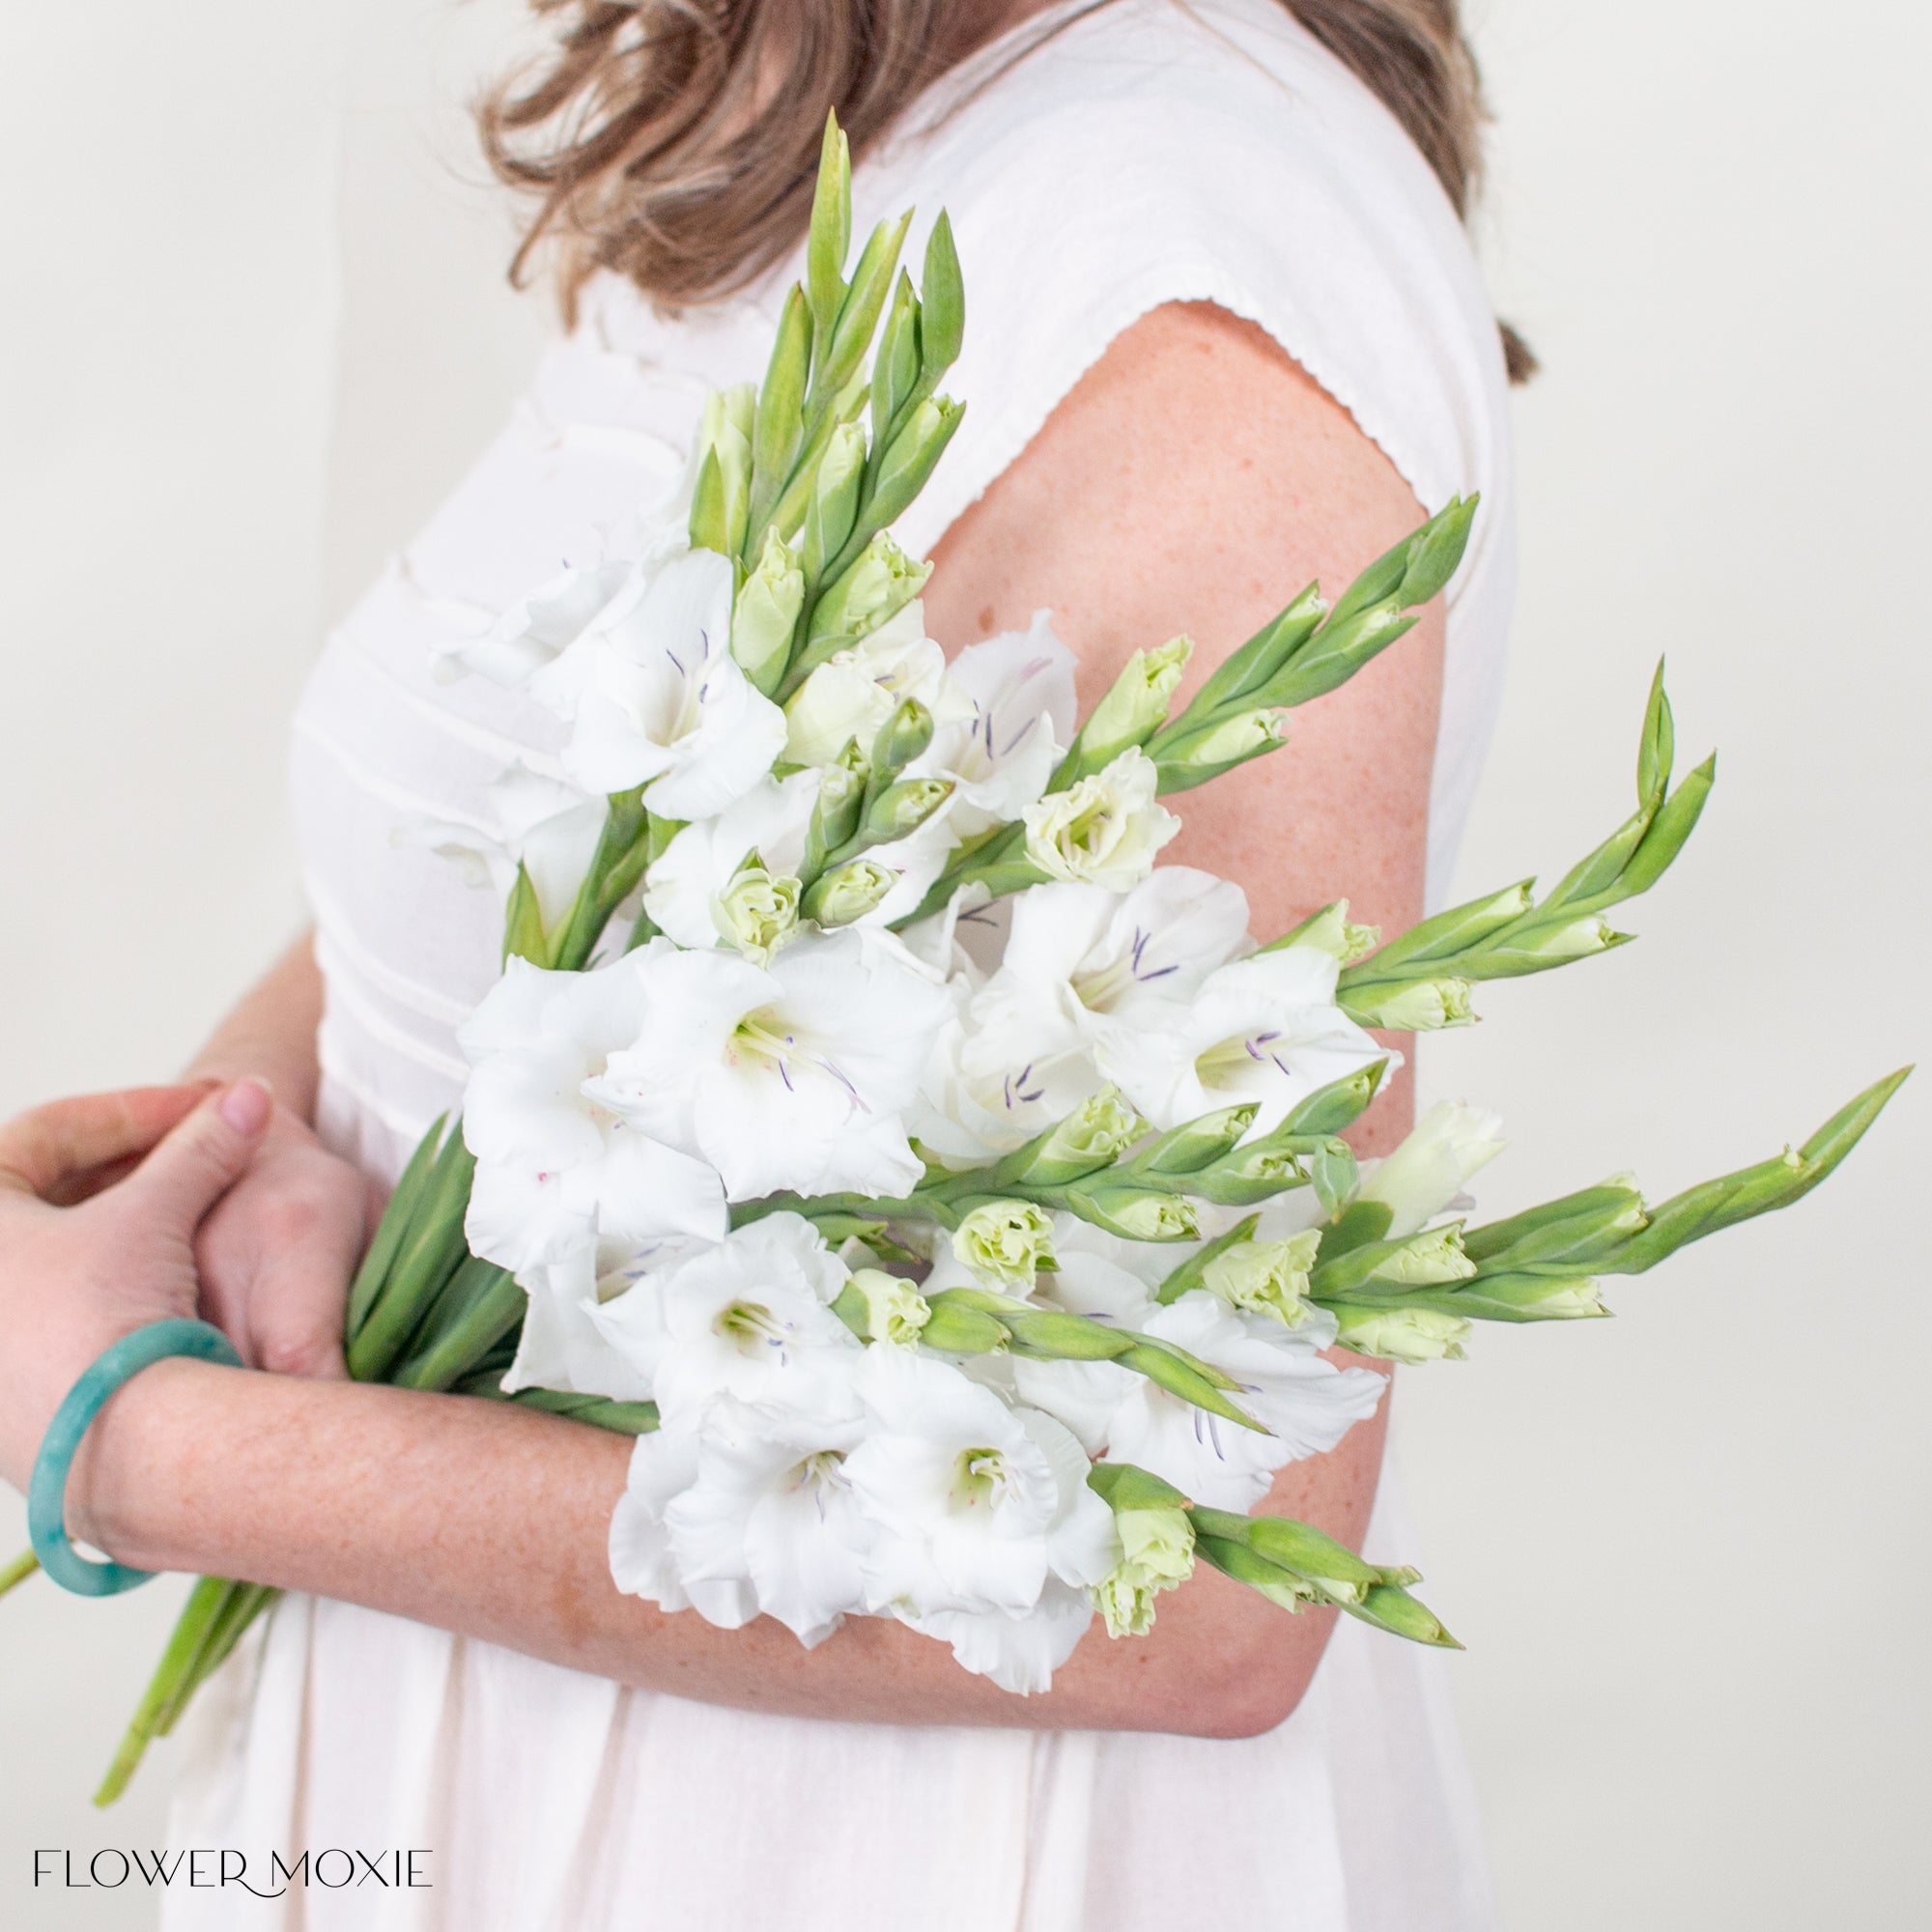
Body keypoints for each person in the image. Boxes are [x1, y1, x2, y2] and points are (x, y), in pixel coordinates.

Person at [2, 1, 1518, 1923]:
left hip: (842, 1847)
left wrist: (127, 1433)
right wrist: (225, 1149)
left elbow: (1203, 1587)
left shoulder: (1181, 295)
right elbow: (531, 835)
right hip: (518, 1721)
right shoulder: (809, 102)